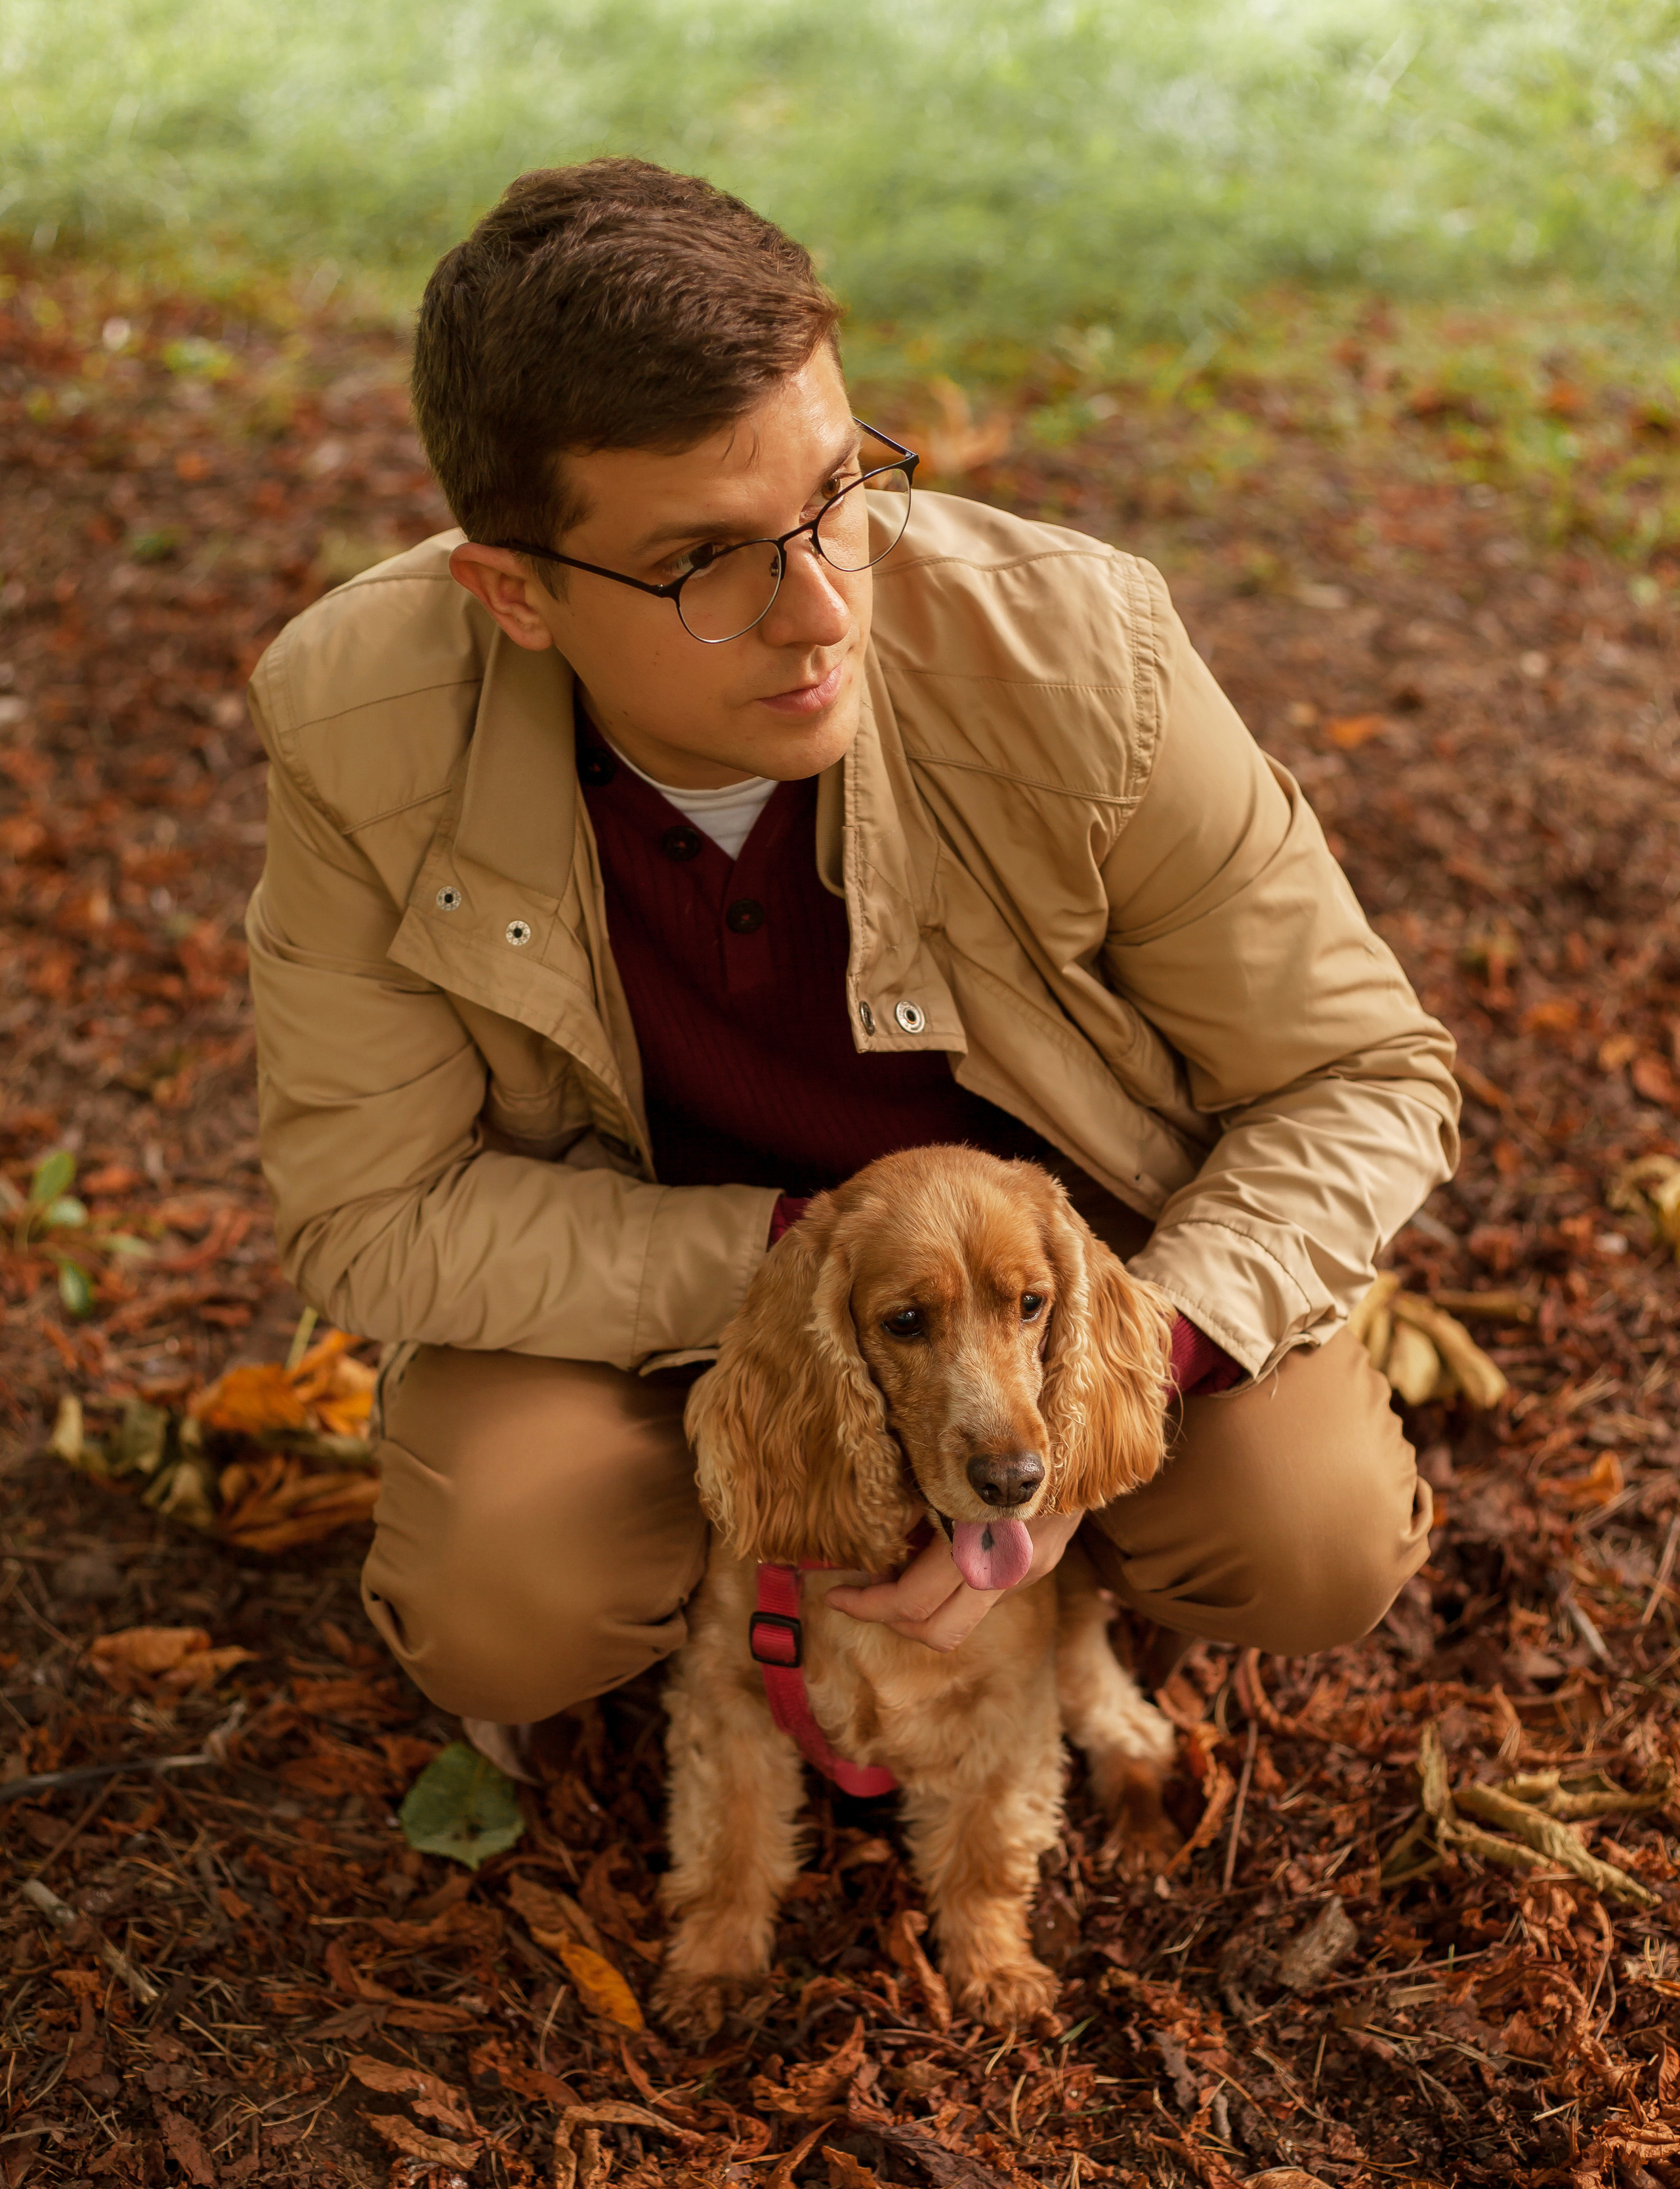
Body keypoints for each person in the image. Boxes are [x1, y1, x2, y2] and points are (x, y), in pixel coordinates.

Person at [244, 157, 1456, 1763]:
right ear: (516, 594)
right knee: (507, 1602)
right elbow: (371, 1215)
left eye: (839, 493)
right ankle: (742, 1610)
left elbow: (1358, 1074)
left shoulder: (1076, 647)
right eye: (703, 563)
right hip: (670, 1302)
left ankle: (1044, 1579)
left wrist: (1106, 1366)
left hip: (1063, 1294)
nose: (821, 609)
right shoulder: (360, 721)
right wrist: (812, 1273)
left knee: (1302, 1540)